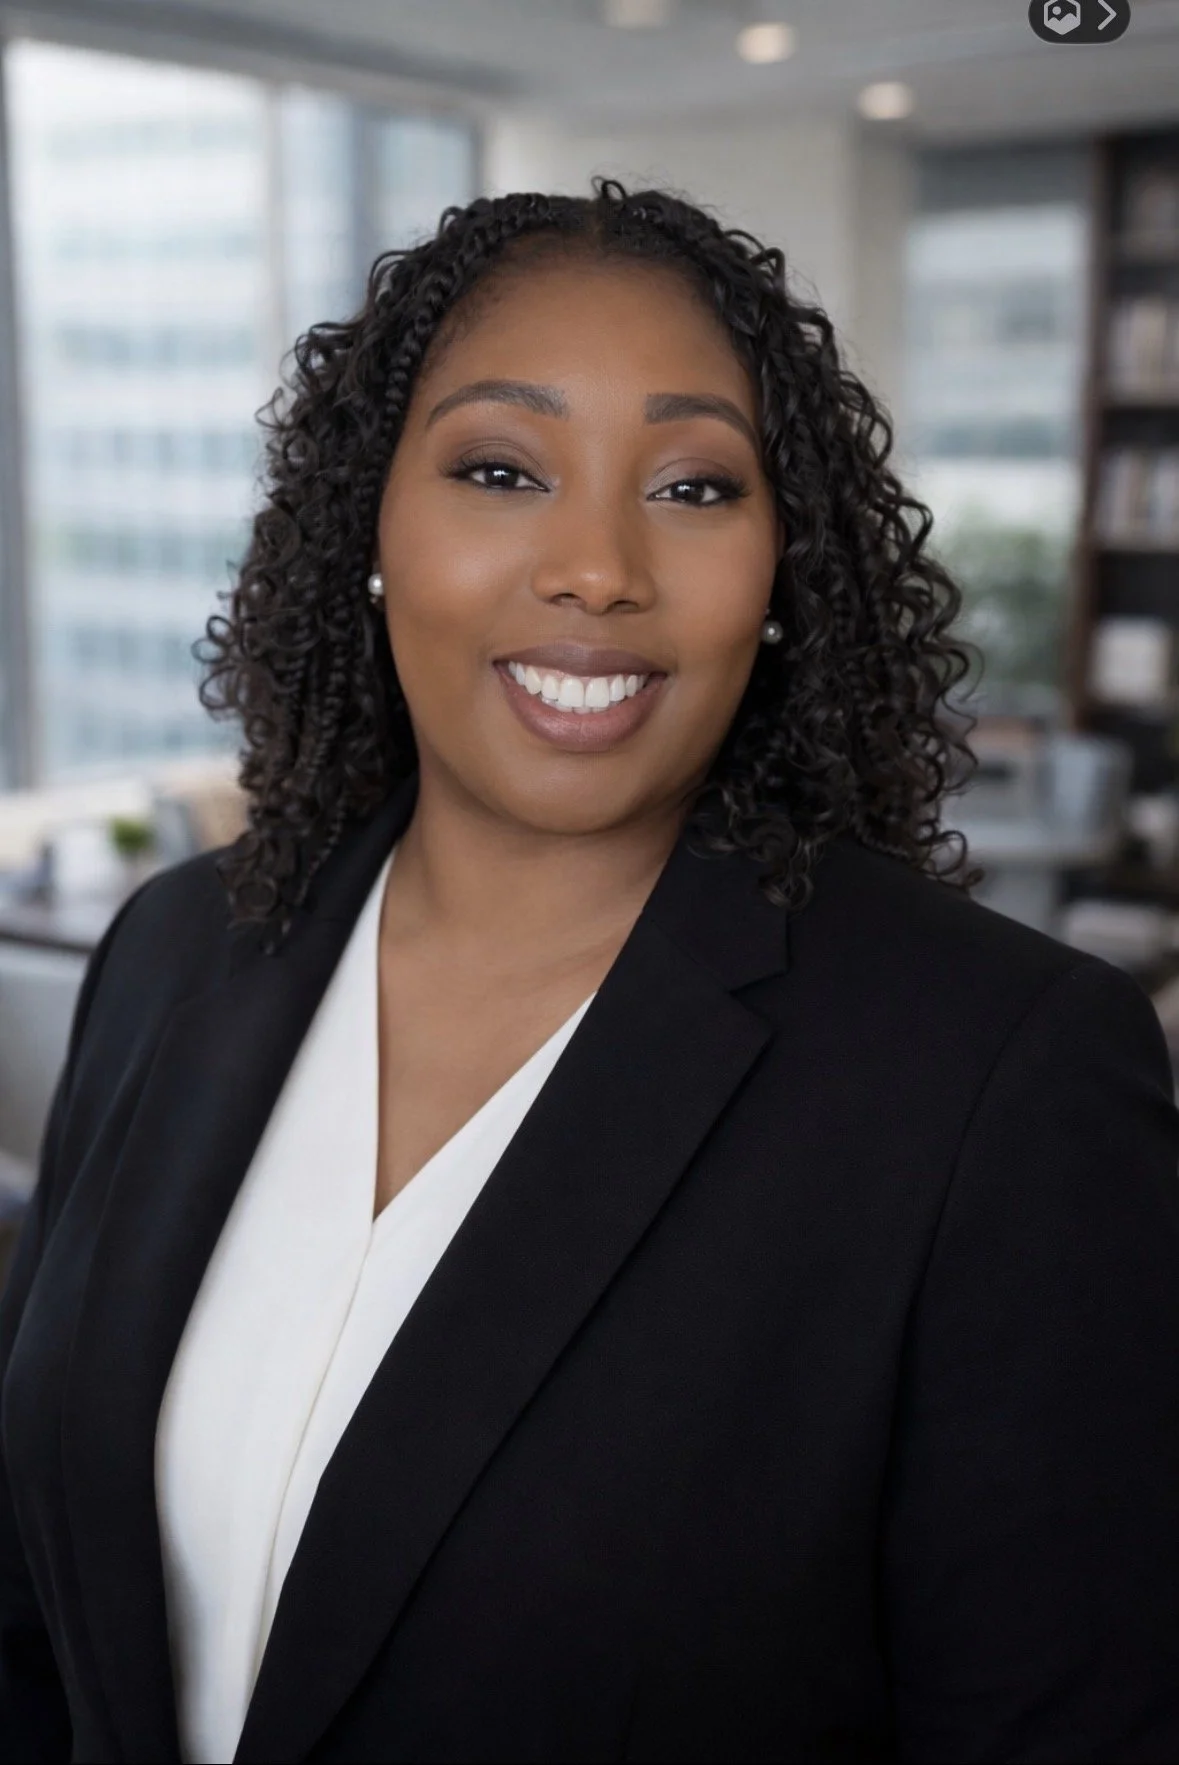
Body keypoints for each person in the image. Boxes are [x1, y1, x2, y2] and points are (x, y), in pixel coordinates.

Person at [1, 179, 1177, 1765]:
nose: (597, 568)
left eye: (695, 489)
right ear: (370, 524)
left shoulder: (998, 1076)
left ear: (784, 577)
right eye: (500, 469)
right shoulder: (173, 954)